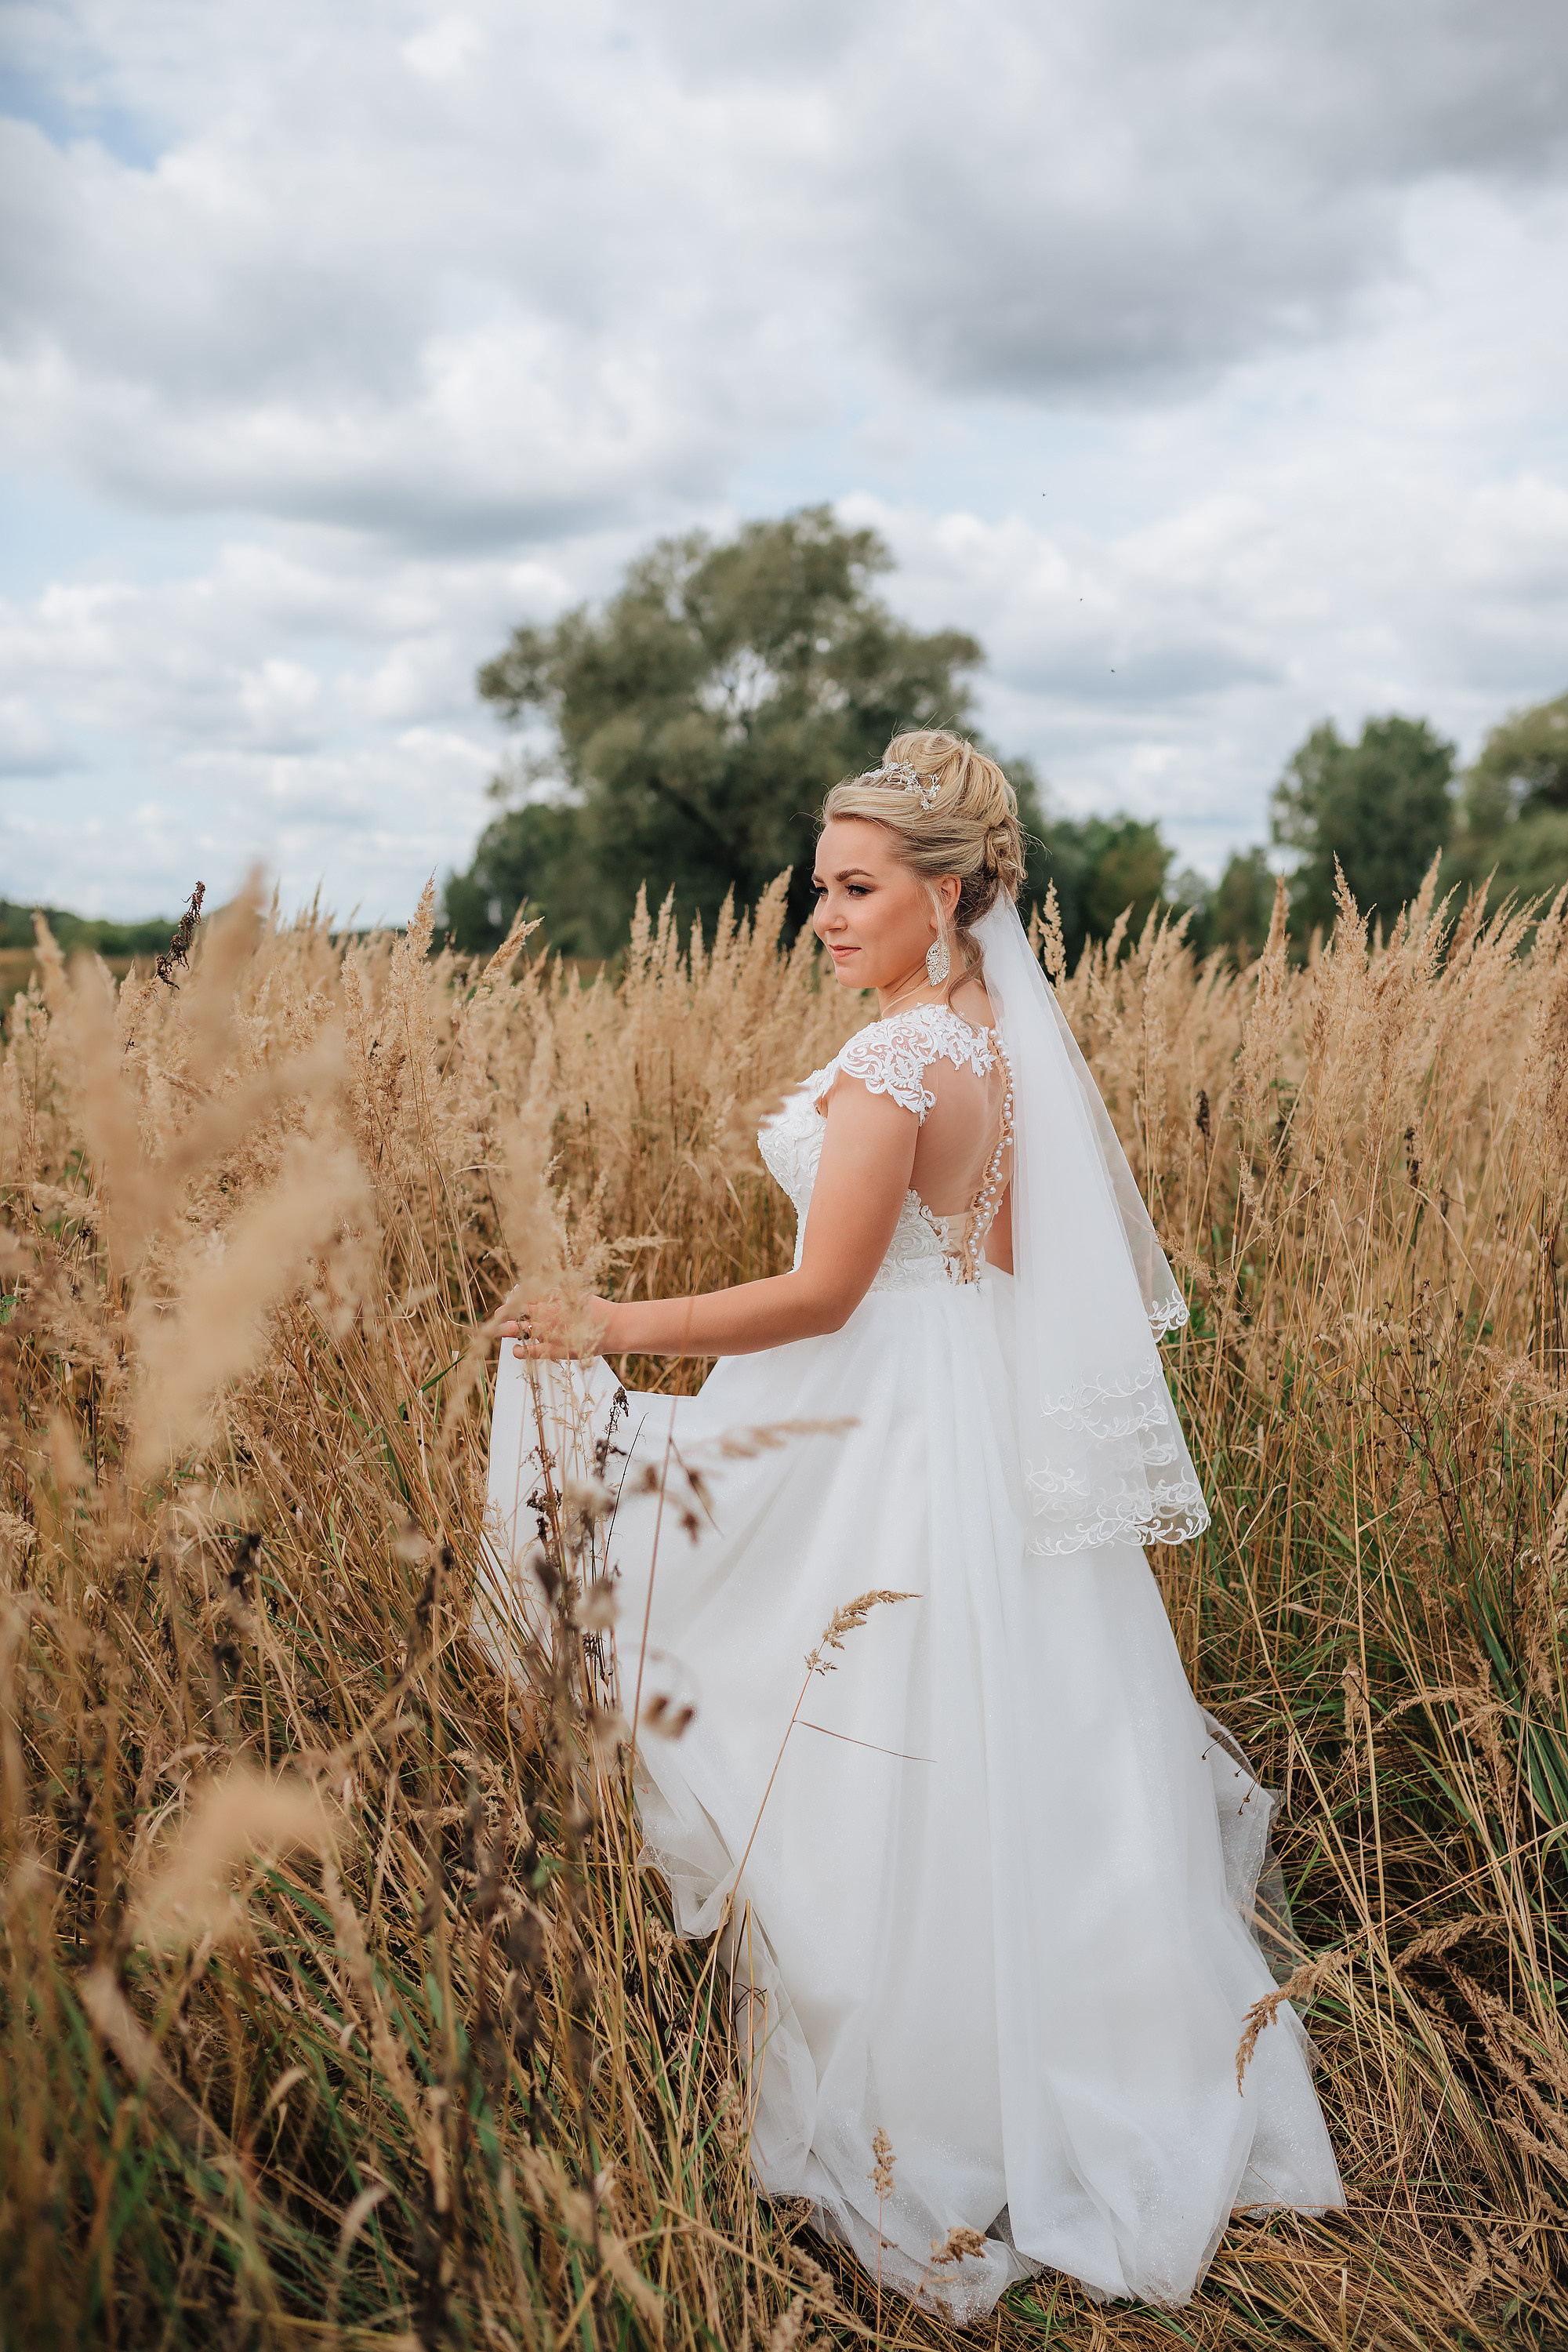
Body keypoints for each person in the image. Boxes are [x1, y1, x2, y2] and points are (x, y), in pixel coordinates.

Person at [479, 729, 1343, 2321]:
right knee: (1014, 1733)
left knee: (830, 1702)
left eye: (857, 889)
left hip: (879, 1408)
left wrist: (608, 1324)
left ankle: (922, 2094)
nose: (823, 915)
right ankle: (1055, 2060)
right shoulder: (996, 1044)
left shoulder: (901, 1059)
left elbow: (822, 1293)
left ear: (944, 897)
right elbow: (995, 1260)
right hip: (972, 1407)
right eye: (819, 887)